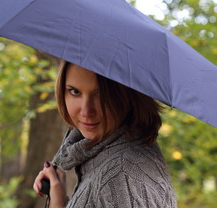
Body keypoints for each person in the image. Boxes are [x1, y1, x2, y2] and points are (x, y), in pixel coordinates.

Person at [33, 60, 177, 208]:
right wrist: (59, 202)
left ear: (128, 95)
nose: (86, 111)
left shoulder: (122, 176)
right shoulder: (105, 156)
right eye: (75, 92)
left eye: (101, 95)